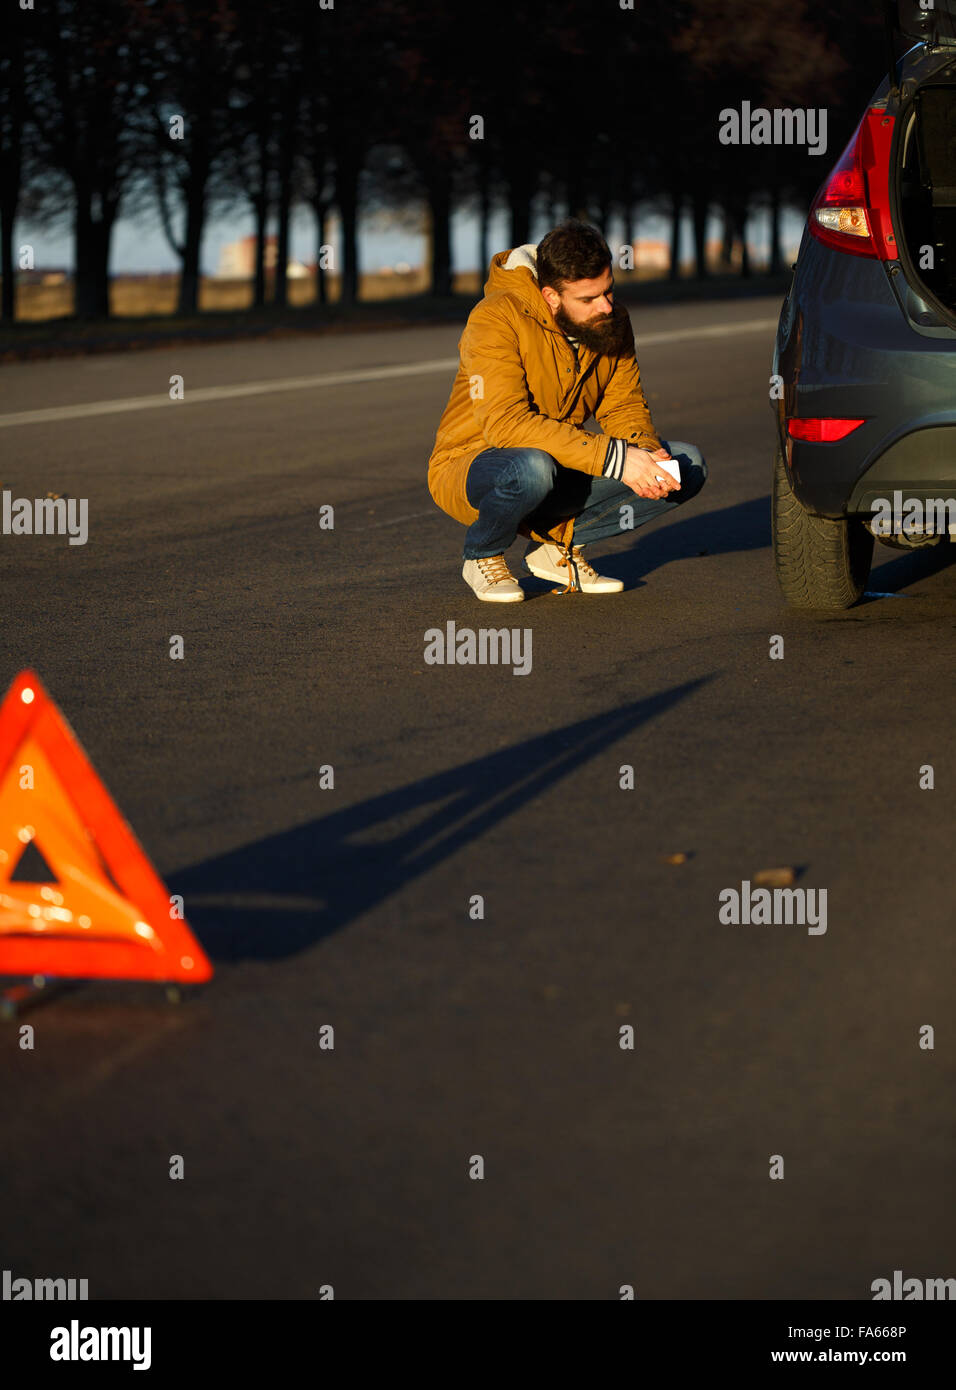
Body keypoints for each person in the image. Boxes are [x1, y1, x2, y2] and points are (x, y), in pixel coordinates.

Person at [427, 219, 707, 601]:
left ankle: (554, 549)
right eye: (589, 300)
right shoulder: (495, 317)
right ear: (551, 296)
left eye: (608, 291)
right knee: (531, 468)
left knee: (685, 465)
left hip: (559, 460)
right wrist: (616, 459)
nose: (606, 306)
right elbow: (505, 425)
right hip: (474, 462)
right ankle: (483, 554)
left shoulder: (613, 322)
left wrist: (642, 449)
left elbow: (622, 403)